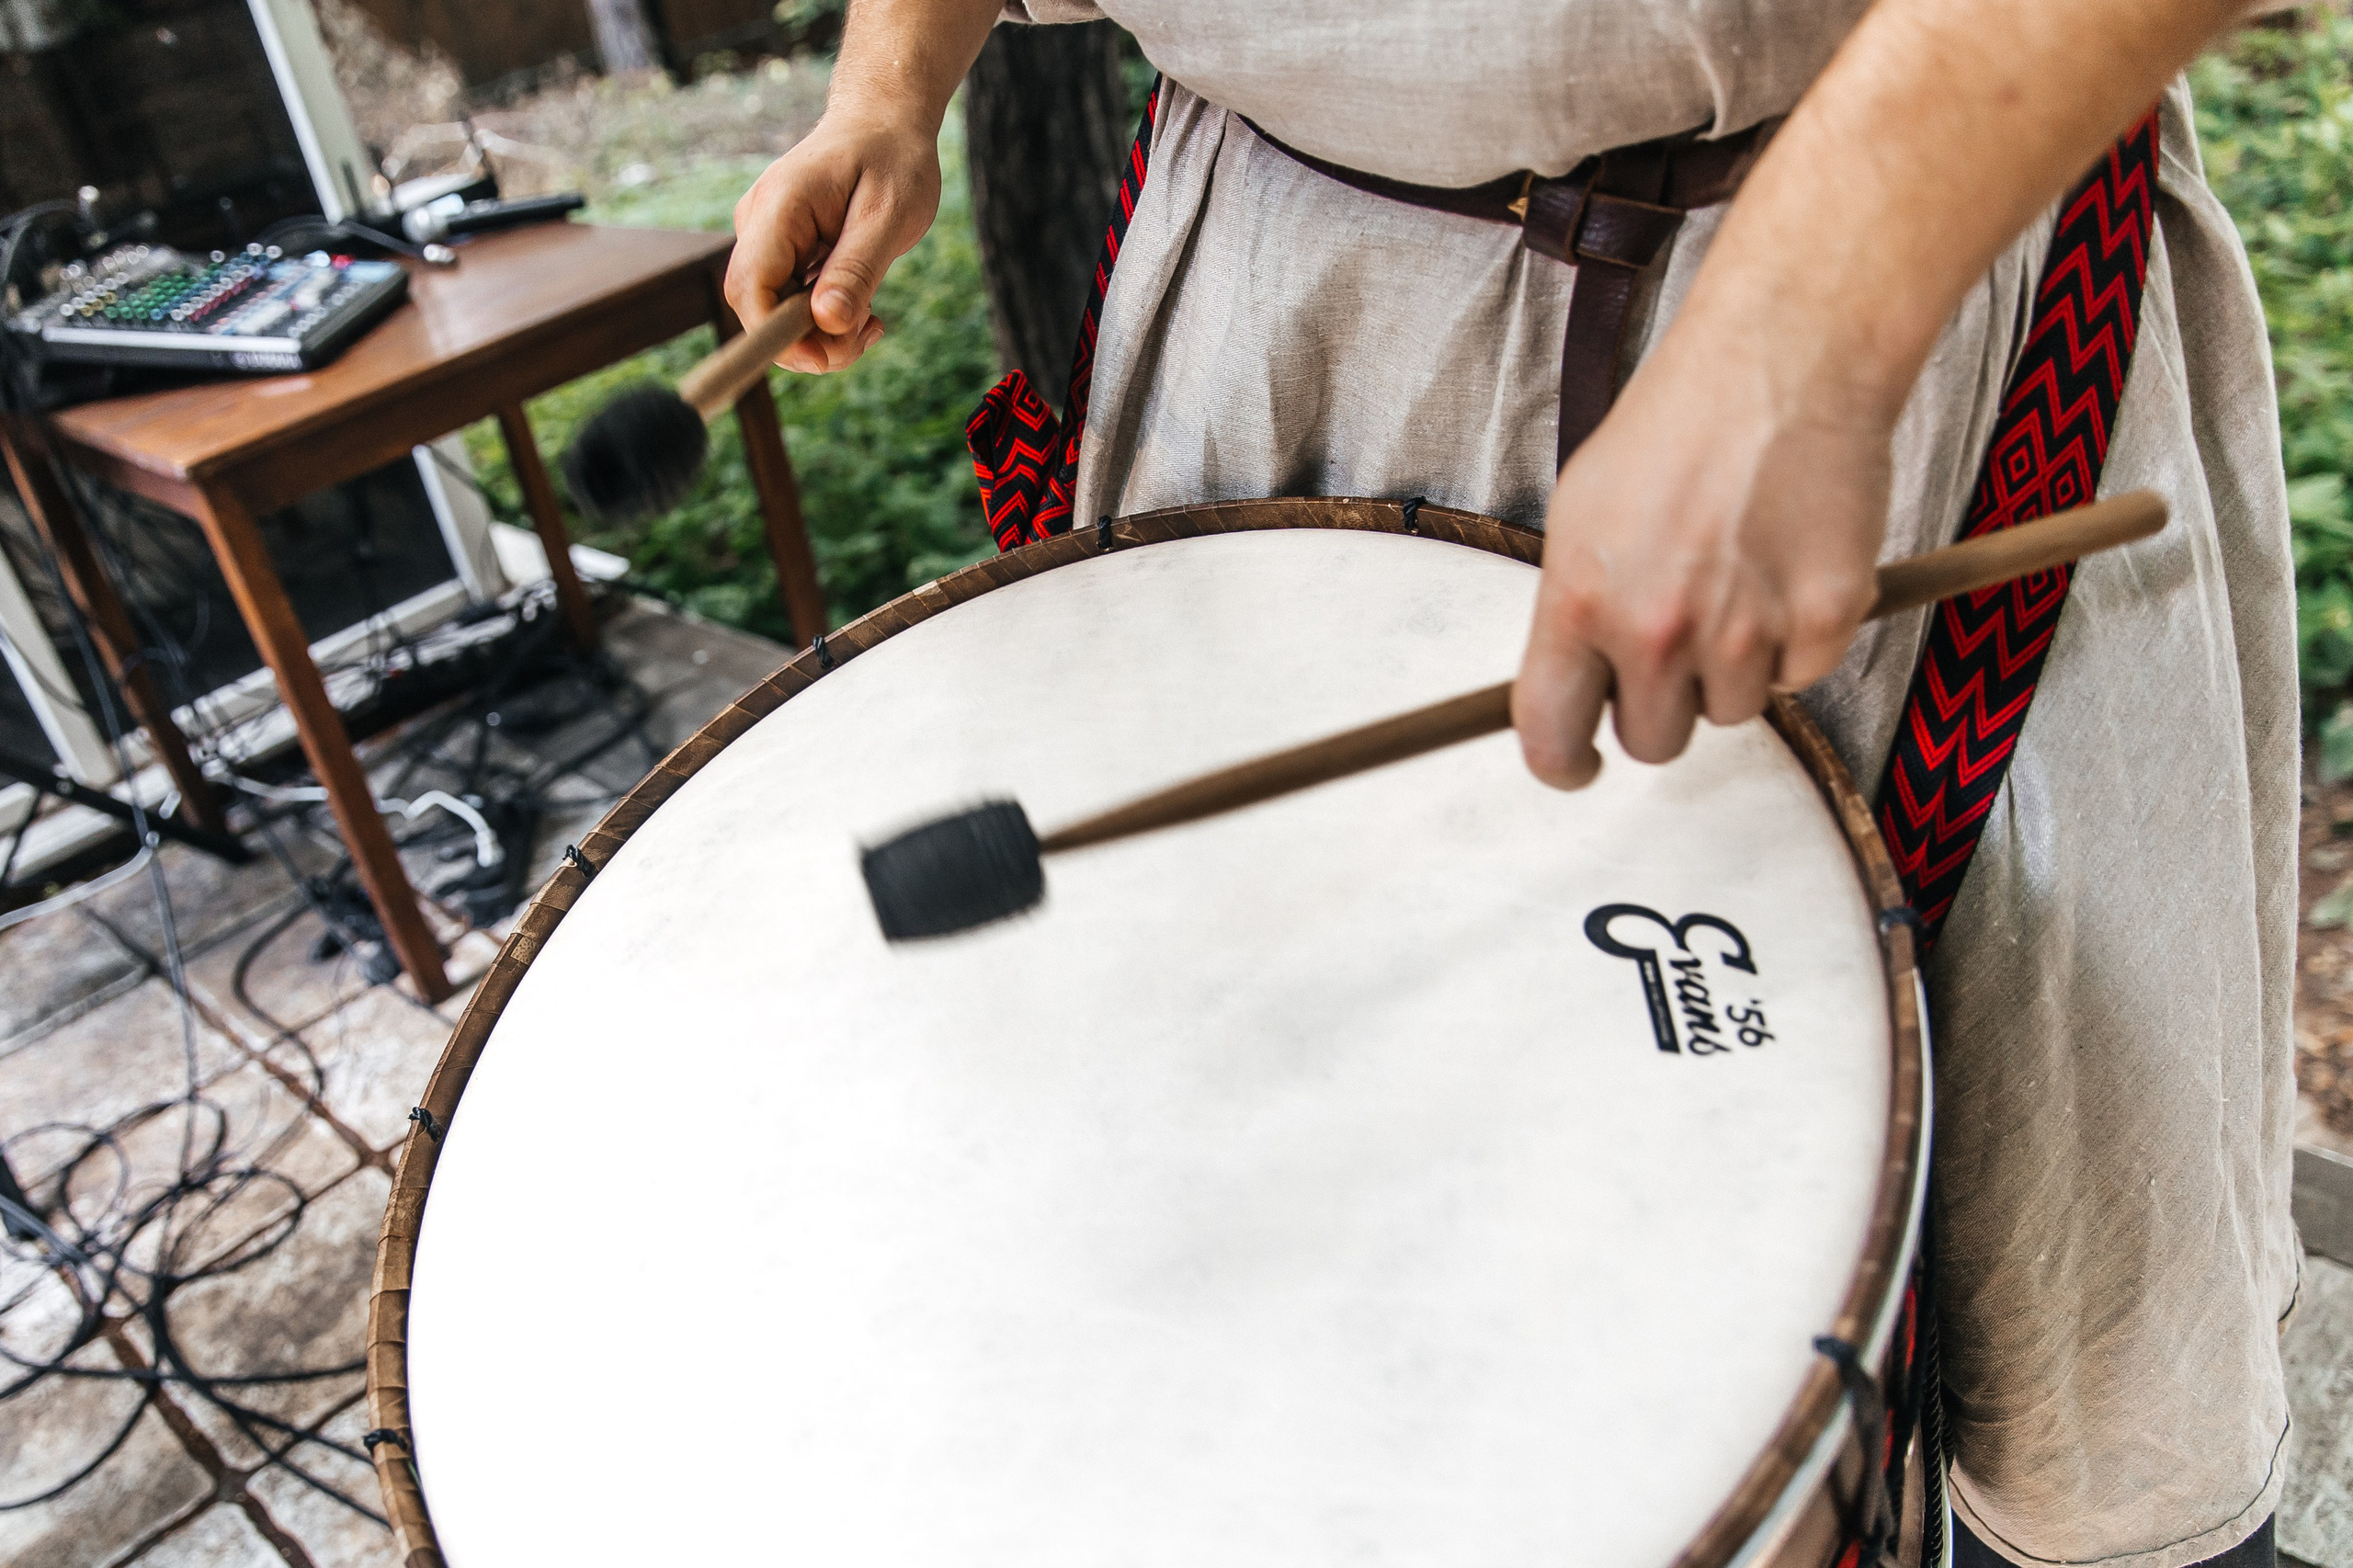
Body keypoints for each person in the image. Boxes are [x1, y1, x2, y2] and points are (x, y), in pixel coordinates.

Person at [726, 3, 2300, 1564]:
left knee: (2082, 1308)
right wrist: (890, 81)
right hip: (1277, 310)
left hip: (1895, 283)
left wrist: (1800, 346)